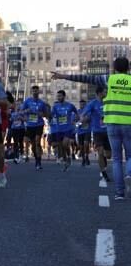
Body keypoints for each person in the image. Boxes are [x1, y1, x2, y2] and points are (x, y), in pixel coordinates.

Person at [54, 59, 131, 199]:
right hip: (129, 123)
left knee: (117, 159)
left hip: (112, 123)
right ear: (129, 67)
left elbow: (86, 78)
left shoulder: (109, 79)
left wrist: (64, 76)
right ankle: (130, 174)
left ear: (114, 68)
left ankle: (120, 193)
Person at [82, 87, 111, 181]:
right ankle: (104, 172)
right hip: (97, 132)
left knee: (108, 155)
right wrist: (83, 119)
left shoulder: (108, 102)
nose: (106, 93)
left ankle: (104, 160)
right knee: (100, 152)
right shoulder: (92, 103)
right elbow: (84, 114)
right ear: (99, 93)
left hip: (108, 131)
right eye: (104, 92)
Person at [20, 85, 51, 170]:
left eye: (36, 91)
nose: (35, 92)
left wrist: (43, 114)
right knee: (33, 144)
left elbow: (47, 114)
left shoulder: (42, 103)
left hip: (39, 124)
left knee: (37, 142)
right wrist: (26, 113)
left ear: (38, 92)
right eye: (33, 91)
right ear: (31, 92)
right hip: (30, 125)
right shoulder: (27, 101)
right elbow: (20, 112)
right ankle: (37, 159)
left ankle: (39, 161)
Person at [50, 90, 78, 171]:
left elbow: (76, 113)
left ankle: (69, 156)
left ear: (64, 96)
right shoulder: (55, 107)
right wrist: (48, 115)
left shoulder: (70, 106)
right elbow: (51, 115)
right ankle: (66, 161)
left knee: (65, 144)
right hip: (59, 129)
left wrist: (75, 119)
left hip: (68, 128)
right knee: (61, 147)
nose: (58, 98)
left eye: (60, 96)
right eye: (57, 96)